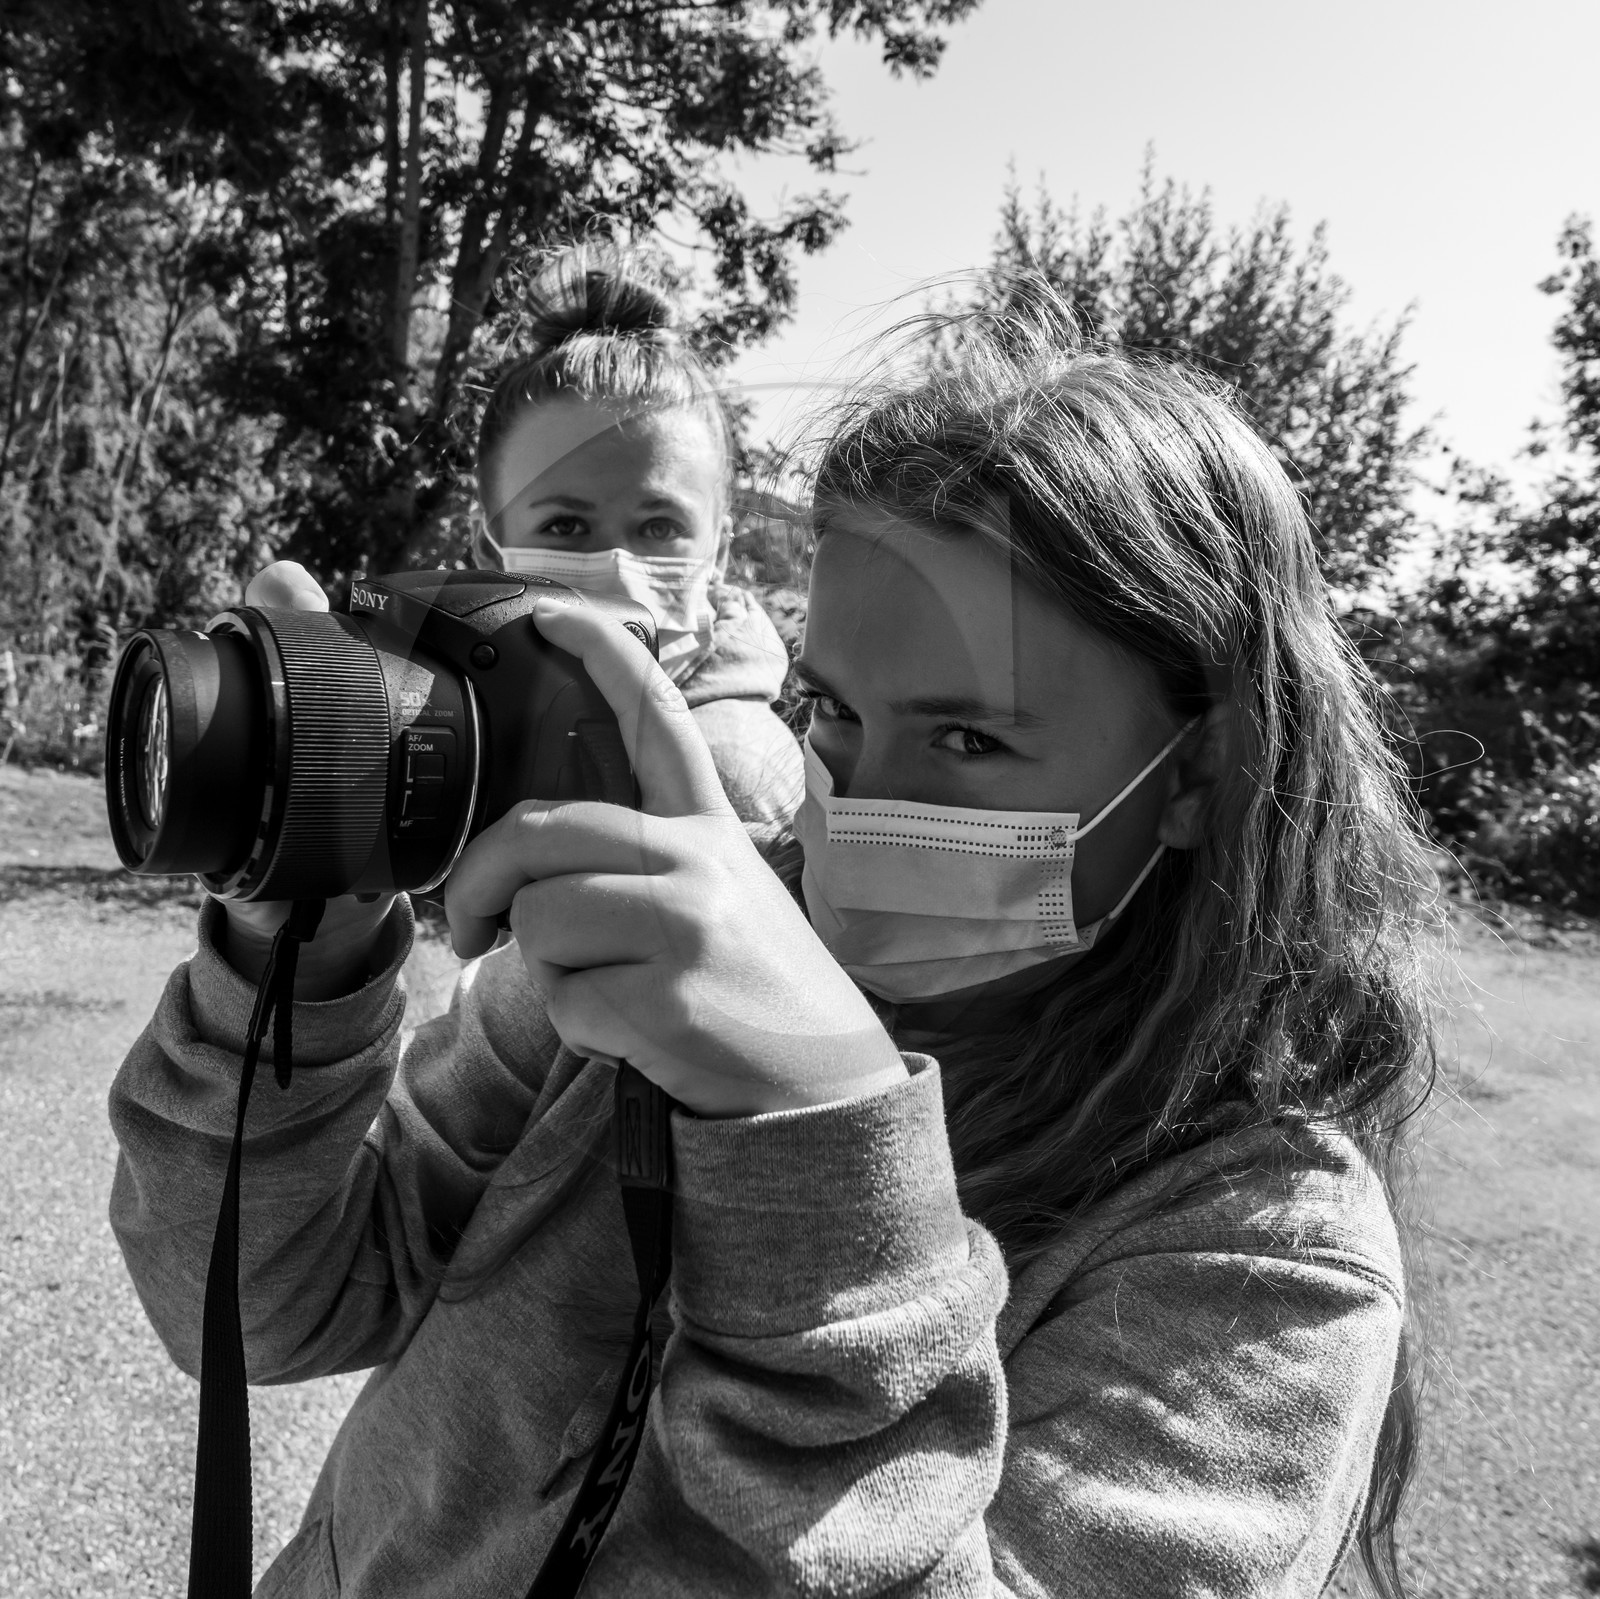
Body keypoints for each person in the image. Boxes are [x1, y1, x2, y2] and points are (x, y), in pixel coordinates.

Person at [109, 298, 1437, 1598]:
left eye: (968, 738)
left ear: (1204, 764)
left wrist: (818, 1137)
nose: (858, 799)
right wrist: (306, 944)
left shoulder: (1265, 1255)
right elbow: (262, 1300)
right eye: (833, 709)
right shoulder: (672, 944)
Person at [472, 243, 801, 849]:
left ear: (720, 554)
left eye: (659, 527)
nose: (621, 575)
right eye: (566, 526)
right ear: (489, 551)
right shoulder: (507, 735)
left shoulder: (725, 780)